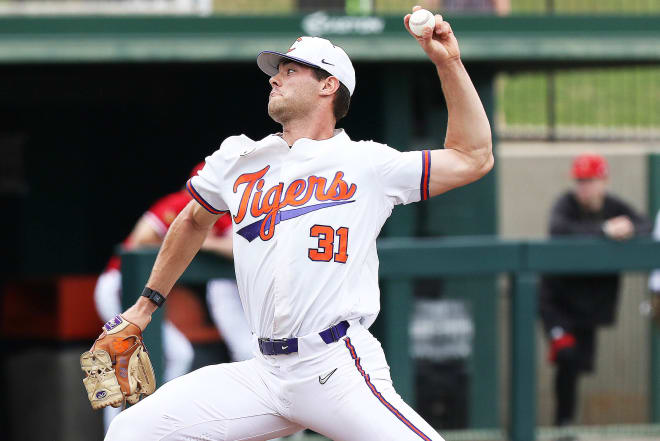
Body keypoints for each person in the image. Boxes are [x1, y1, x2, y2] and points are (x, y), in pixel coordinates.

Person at [104, 6, 493, 440]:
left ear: (329, 85)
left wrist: (448, 63)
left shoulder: (367, 163)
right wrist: (142, 309)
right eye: (276, 71)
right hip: (265, 372)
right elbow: (193, 219)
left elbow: (472, 157)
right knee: (133, 430)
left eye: (291, 70)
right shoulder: (238, 157)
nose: (275, 78)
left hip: (335, 366)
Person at [94, 162, 252, 431]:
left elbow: (241, 248)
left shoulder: (220, 216)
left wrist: (200, 240)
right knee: (127, 362)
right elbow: (139, 240)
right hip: (121, 285)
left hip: (145, 295)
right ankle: (122, 431)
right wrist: (186, 236)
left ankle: (159, 425)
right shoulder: (180, 203)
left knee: (178, 353)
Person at [539, 152, 652, 427]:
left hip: (588, 306)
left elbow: (645, 225)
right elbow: (558, 228)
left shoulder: (614, 205)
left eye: (589, 180)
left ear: (604, 181)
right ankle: (562, 426)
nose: (583, 187)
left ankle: (565, 425)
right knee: (566, 355)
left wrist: (627, 228)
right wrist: (603, 230)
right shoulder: (565, 204)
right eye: (579, 181)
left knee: (578, 365)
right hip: (556, 302)